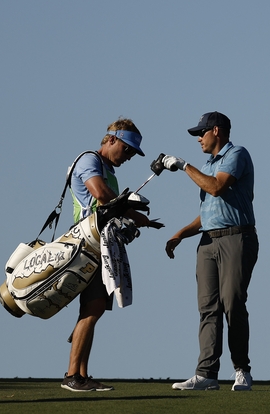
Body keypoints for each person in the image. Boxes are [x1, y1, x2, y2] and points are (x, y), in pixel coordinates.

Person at [160, 111, 259, 391]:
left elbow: (215, 188)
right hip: (208, 241)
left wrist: (182, 166)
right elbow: (209, 213)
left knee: (232, 303)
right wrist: (180, 233)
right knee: (208, 308)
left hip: (237, 238)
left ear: (216, 131)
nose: (198, 139)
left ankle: (242, 370)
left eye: (201, 133)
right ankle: (206, 374)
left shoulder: (236, 154)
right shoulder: (208, 164)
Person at [61, 117, 150, 392]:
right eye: (126, 150)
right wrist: (132, 211)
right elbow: (100, 194)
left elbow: (110, 203)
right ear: (111, 140)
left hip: (102, 247)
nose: (129, 157)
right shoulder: (89, 160)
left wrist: (133, 217)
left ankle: (82, 375)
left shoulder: (109, 171)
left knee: (94, 308)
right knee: (93, 307)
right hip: (85, 246)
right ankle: (72, 376)